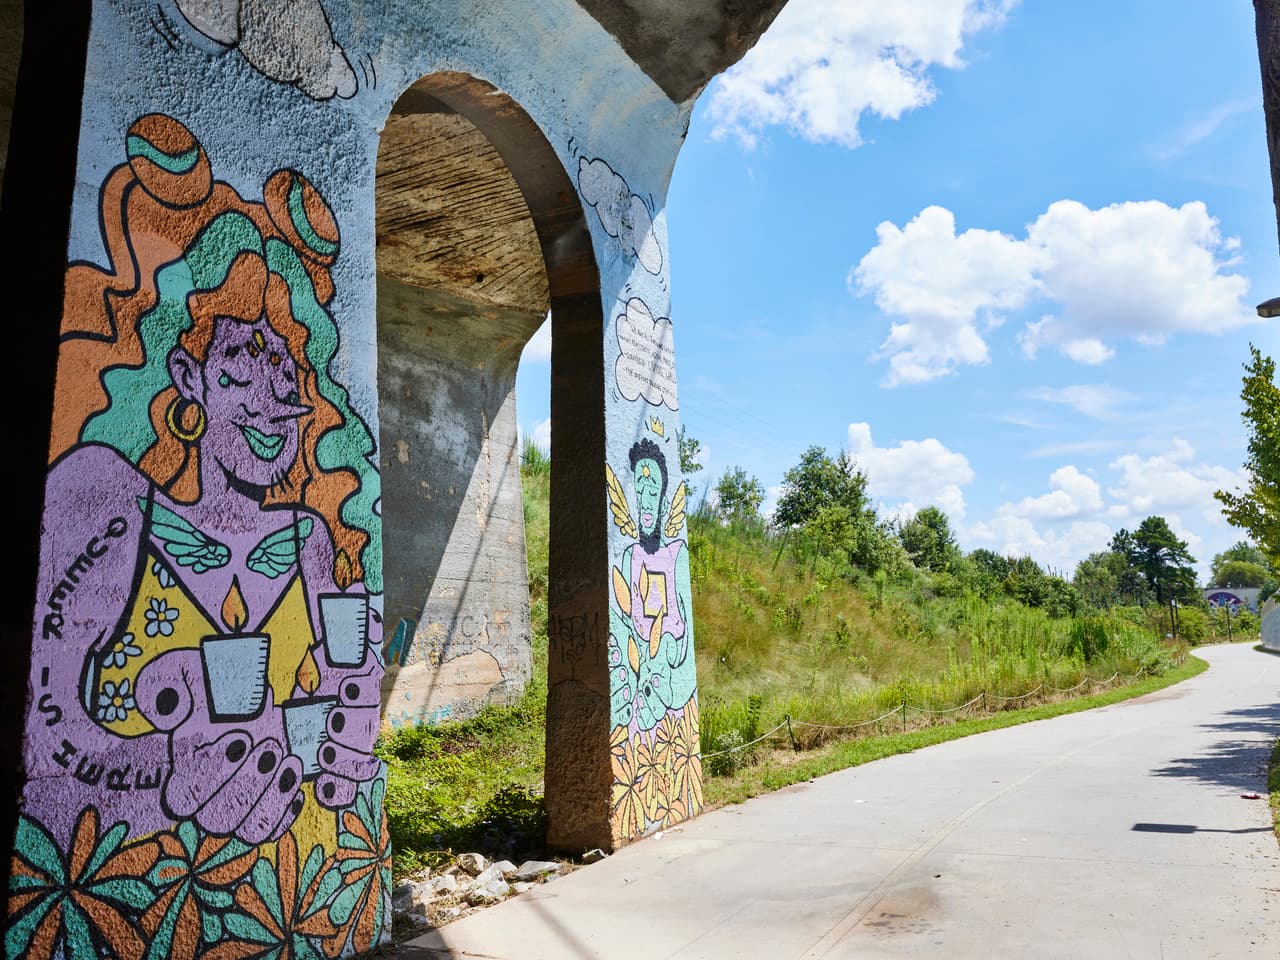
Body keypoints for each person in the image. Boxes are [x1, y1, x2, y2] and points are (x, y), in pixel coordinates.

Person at [25, 114, 382, 844]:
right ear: (188, 376)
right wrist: (163, 772)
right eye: (243, 361)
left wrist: (355, 732)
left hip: (289, 893)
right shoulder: (105, 501)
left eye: (285, 365)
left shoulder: (311, 540)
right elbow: (47, 725)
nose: (270, 393)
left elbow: (332, 709)